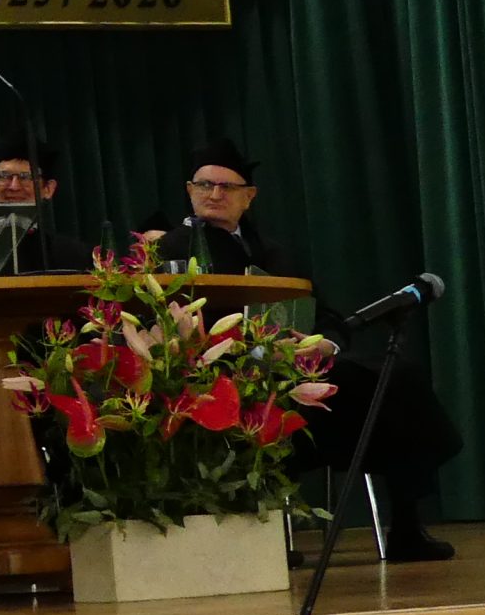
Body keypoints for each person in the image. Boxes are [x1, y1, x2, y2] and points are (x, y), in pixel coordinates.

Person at [152, 139, 457, 561]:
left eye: (226, 187)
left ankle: (406, 525)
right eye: (204, 185)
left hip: (300, 368)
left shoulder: (274, 251)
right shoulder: (171, 251)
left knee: (395, 380)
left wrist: (321, 343)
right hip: (226, 372)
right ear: (190, 190)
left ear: (249, 196)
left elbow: (325, 313)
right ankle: (265, 537)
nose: (214, 194)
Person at [0, 139, 90, 274]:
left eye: (26, 177)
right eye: (4, 176)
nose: (14, 186)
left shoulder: (74, 255)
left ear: (48, 189)